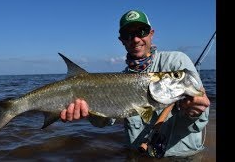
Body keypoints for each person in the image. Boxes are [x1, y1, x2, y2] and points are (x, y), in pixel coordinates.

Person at [60, 10, 210, 158]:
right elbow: (105, 121)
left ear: (151, 33)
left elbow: (200, 118)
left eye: (142, 31)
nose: (136, 39)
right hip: (137, 156)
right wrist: (88, 113)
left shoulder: (176, 61)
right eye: (128, 35)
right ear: (122, 40)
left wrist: (195, 111)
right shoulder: (121, 78)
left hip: (181, 157)